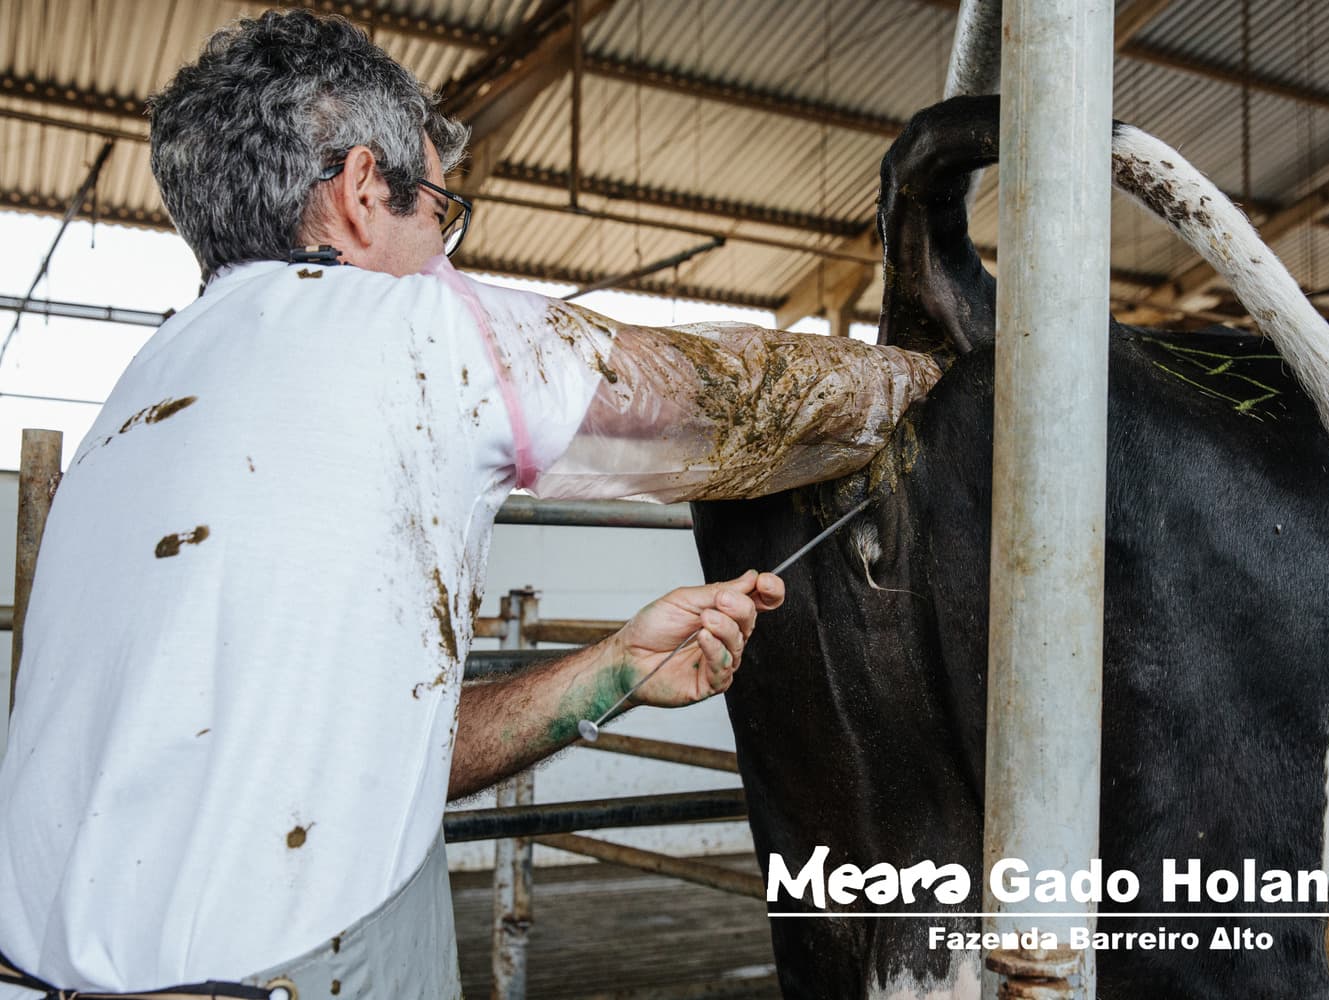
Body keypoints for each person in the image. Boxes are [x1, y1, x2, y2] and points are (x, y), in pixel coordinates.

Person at [0, 10, 940, 1000]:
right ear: (366, 191)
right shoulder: (406, 330)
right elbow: (744, 398)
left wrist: (612, 668)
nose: (445, 250)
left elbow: (369, 762)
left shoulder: (142, 399)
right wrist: (948, 377)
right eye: (440, 213)